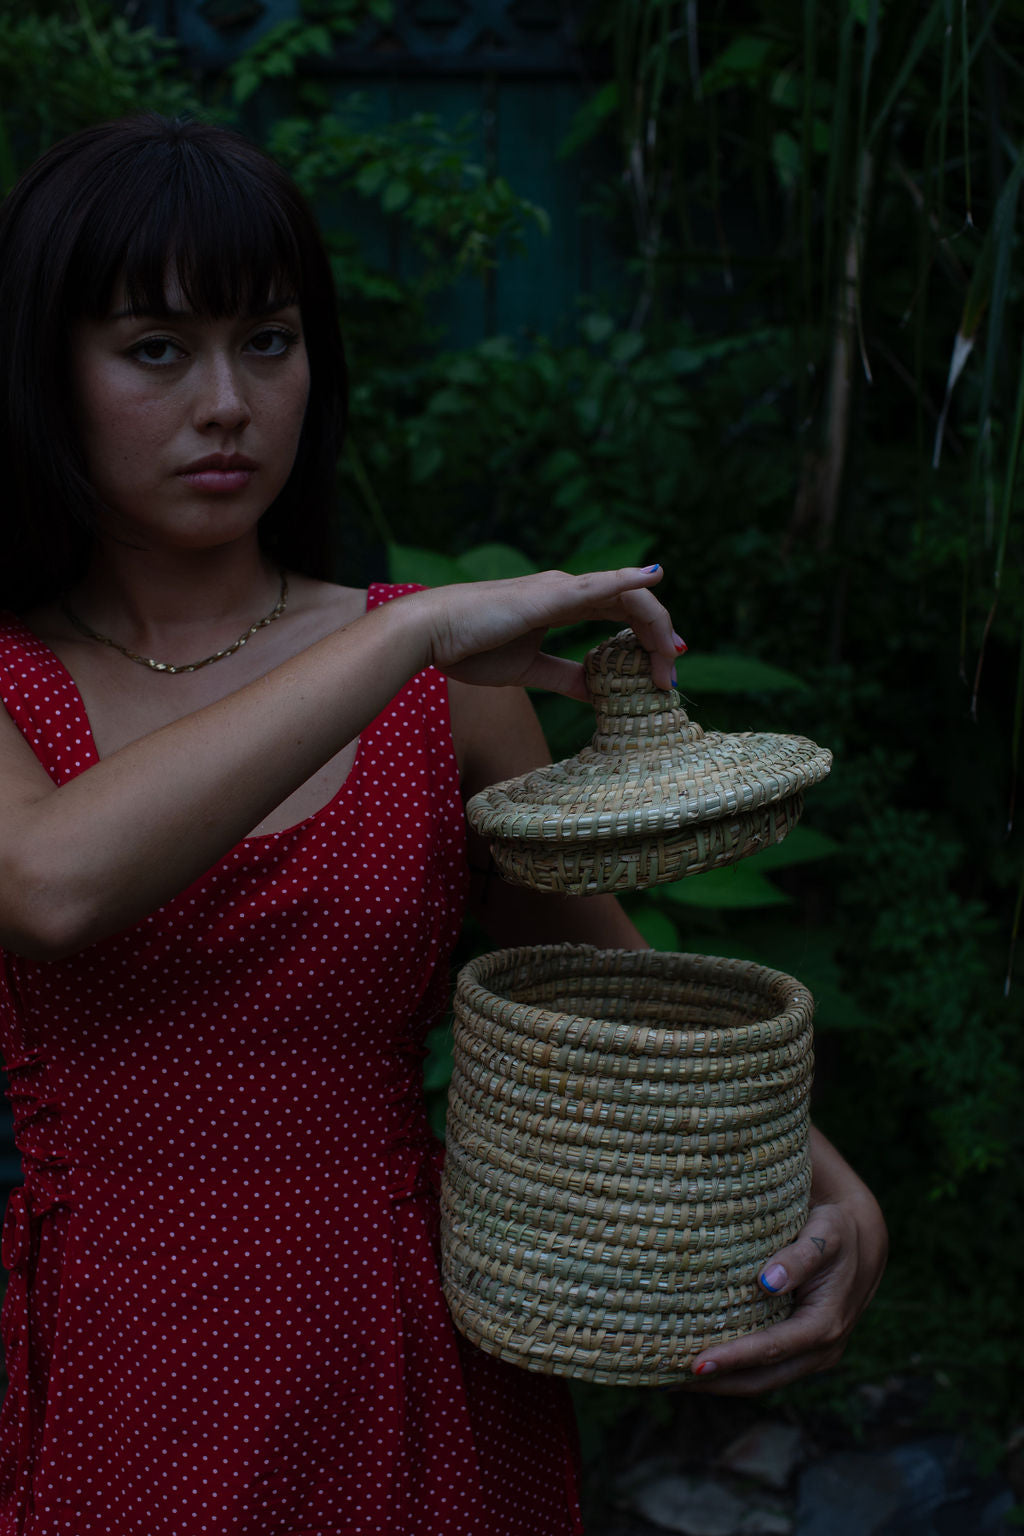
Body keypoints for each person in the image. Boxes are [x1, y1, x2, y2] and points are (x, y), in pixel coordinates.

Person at [0, 115, 887, 1535]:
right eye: (155, 348)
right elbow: (47, 886)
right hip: (133, 1361)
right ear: (47, 368)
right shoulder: (26, 679)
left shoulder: (446, 694)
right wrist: (400, 637)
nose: (227, 402)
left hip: (415, 1360)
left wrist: (839, 1198)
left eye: (270, 341)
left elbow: (619, 1010)